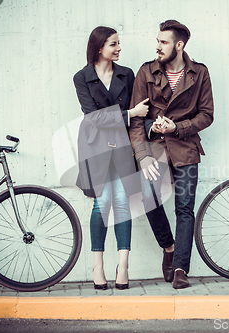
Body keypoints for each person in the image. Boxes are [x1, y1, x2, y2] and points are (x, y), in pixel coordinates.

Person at [129, 20, 214, 289]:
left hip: (185, 147)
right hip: (154, 148)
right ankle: (169, 247)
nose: (158, 47)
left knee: (184, 208)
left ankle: (180, 268)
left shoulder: (199, 73)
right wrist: (142, 154)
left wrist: (178, 126)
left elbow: (207, 114)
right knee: (147, 197)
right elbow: (135, 120)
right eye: (157, 41)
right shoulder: (146, 72)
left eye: (163, 42)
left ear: (179, 45)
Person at [73, 26, 149, 290]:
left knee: (122, 202)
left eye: (118, 43)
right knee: (102, 203)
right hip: (95, 147)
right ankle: (97, 266)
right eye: (113, 44)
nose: (118, 48)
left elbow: (137, 114)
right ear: (99, 47)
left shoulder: (126, 74)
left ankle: (123, 265)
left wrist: (134, 121)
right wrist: (130, 113)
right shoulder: (82, 77)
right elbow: (92, 117)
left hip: (122, 145)